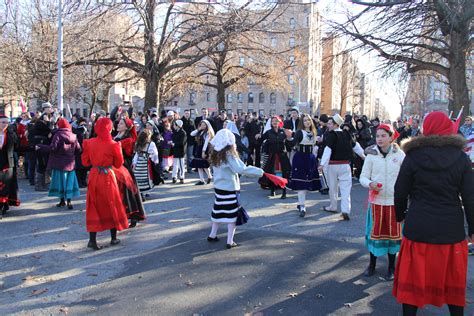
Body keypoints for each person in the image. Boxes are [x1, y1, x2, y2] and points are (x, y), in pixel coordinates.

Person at [393, 112, 474, 316]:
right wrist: (473, 228)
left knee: (412, 283)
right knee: (452, 282)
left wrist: (400, 215)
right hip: (451, 229)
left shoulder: (413, 156)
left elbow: (400, 190)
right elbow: (470, 196)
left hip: (418, 226)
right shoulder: (461, 158)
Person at [359, 123, 405, 280]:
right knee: (375, 235)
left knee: (393, 236)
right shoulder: (371, 156)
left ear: (392, 137)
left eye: (383, 136)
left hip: (394, 203)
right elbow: (363, 176)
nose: (379, 139)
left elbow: (406, 177)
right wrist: (369, 184)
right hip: (377, 202)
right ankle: (371, 264)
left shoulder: (400, 156)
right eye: (377, 136)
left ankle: (391, 267)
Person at [207, 129, 263, 249]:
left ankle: (212, 235)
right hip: (230, 188)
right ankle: (230, 241)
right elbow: (241, 169)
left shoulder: (215, 153)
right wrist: (259, 172)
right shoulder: (229, 155)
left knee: (218, 210)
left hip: (218, 188)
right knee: (232, 215)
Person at [81, 118, 129, 250]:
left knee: (94, 206)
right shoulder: (114, 144)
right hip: (108, 176)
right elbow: (119, 164)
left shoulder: (89, 143)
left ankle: (92, 240)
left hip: (94, 175)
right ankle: (113, 238)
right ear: (109, 128)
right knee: (111, 203)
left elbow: (85, 162)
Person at [319, 114, 365, 220]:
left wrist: (322, 164)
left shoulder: (331, 135)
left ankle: (333, 206)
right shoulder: (347, 134)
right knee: (346, 189)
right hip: (345, 165)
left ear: (336, 125)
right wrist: (363, 156)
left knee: (333, 188)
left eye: (330, 124)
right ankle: (345, 209)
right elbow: (356, 146)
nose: (329, 125)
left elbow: (328, 150)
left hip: (332, 165)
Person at [37, 118, 81, 209]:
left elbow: (53, 148)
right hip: (70, 163)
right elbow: (79, 149)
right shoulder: (74, 135)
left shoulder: (58, 134)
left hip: (59, 163)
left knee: (60, 183)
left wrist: (41, 147)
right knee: (69, 183)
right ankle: (69, 202)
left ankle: (62, 201)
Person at [286, 114, 322, 217]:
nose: (307, 122)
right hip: (300, 158)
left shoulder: (314, 132)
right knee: (301, 183)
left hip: (310, 159)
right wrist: (288, 138)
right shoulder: (299, 133)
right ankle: (302, 205)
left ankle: (301, 203)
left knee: (306, 184)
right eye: (305, 120)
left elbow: (315, 145)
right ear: (302, 122)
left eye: (309, 120)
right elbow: (292, 144)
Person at [258, 116, 291, 199]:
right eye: (273, 121)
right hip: (272, 156)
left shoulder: (283, 132)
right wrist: (258, 136)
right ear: (271, 123)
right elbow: (261, 140)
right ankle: (272, 189)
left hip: (282, 156)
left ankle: (284, 191)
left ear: (279, 122)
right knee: (272, 173)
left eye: (276, 121)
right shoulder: (268, 132)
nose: (275, 122)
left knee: (284, 173)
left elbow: (288, 142)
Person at [190, 120, 215, 185]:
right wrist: (199, 129)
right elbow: (191, 134)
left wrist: (203, 151)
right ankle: (201, 180)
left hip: (204, 149)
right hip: (198, 148)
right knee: (199, 165)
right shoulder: (200, 131)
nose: (203, 126)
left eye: (204, 125)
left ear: (207, 126)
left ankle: (209, 176)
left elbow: (206, 143)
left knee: (204, 165)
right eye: (201, 124)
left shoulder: (208, 133)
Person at [170, 120, 187, 184]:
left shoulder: (183, 133)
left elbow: (182, 143)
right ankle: (174, 177)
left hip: (181, 151)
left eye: (175, 125)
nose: (173, 126)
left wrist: (174, 144)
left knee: (181, 165)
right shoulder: (175, 132)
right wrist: (172, 142)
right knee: (175, 165)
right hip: (175, 150)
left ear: (178, 126)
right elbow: (174, 140)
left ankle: (182, 177)